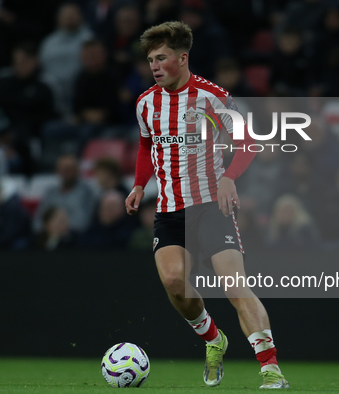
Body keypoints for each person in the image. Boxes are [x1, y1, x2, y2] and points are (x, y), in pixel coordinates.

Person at [125, 21, 289, 389]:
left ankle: (270, 367)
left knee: (234, 285)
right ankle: (214, 339)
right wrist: (139, 184)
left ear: (182, 59)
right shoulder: (146, 103)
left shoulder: (211, 97)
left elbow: (247, 142)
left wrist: (229, 177)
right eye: (150, 59)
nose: (153, 65)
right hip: (170, 210)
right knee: (174, 283)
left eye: (161, 57)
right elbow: (146, 146)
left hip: (211, 205)